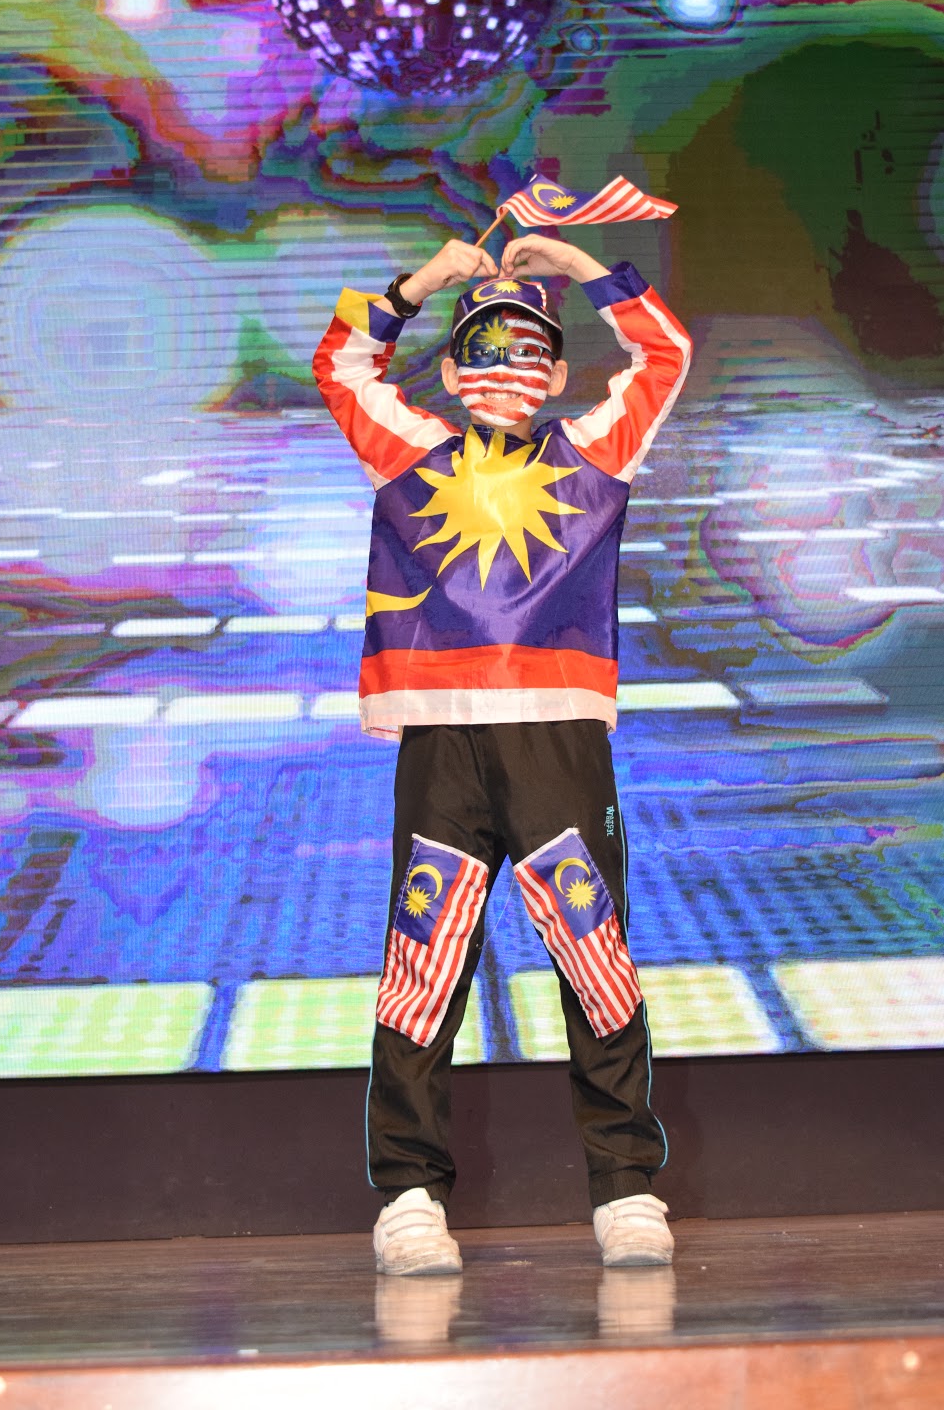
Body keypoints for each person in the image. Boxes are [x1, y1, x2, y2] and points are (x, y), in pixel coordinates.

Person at [312, 230, 692, 1275]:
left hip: (555, 737)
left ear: (559, 376)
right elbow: (340, 363)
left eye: (530, 349)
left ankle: (625, 1185)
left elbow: (663, 355)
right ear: (447, 368)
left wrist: (582, 270)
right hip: (441, 740)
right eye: (482, 346)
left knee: (591, 951)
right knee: (421, 961)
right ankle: (409, 1196)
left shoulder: (592, 451)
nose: (506, 364)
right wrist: (421, 284)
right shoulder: (407, 449)